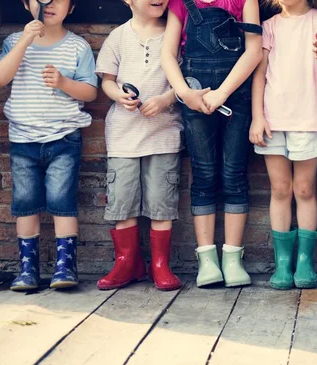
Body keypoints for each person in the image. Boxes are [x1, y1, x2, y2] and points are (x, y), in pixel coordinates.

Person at [0, 0, 97, 291]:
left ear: (72, 8)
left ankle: (65, 267)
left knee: (63, 203)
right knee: (25, 204)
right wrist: (26, 39)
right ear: (27, 5)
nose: (49, 3)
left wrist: (64, 82)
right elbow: (0, 77)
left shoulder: (77, 46)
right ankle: (27, 268)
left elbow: (90, 92)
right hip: (23, 140)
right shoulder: (15, 41)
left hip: (64, 139)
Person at [161, 0, 262, 288]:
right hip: (195, 97)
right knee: (204, 175)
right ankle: (207, 260)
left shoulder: (245, 1)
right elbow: (168, 55)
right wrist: (184, 93)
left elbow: (253, 51)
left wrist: (222, 94)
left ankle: (233, 259)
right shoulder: (181, 3)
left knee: (234, 175)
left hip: (236, 97)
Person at [249, 0, 317, 290]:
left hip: (309, 118)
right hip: (273, 119)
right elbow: (259, 74)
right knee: (280, 189)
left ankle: (305, 261)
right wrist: (257, 116)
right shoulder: (269, 26)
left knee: (304, 189)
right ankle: (283, 264)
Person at [96, 0, 183, 291]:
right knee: (123, 202)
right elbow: (107, 80)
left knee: (162, 203)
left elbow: (184, 82)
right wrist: (117, 95)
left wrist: (165, 99)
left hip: (164, 134)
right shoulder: (118, 37)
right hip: (123, 137)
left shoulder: (175, 34)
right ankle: (127, 263)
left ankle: (160, 265)